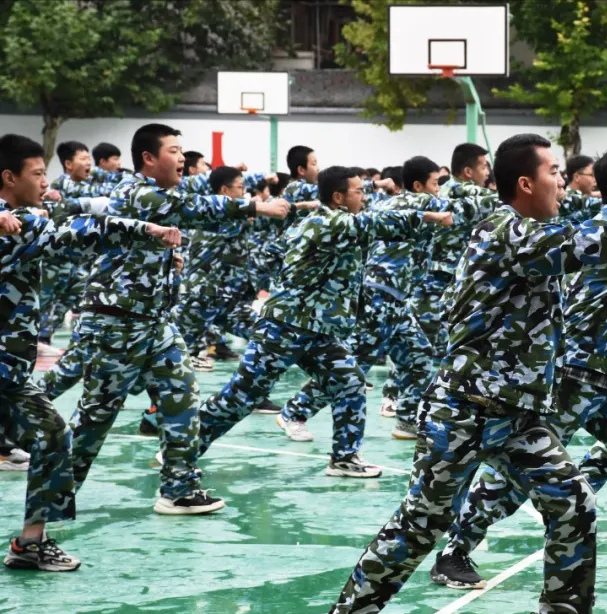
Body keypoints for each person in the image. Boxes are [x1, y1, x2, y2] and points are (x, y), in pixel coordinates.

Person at [329, 134, 607, 614]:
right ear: (526, 183)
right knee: (420, 526)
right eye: (555, 173)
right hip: (463, 411)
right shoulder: (505, 231)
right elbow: (581, 241)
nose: (564, 185)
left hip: (518, 417)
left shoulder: (533, 234)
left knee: (573, 504)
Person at [66, 123, 289, 515]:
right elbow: (195, 209)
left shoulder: (160, 195)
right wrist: (257, 205)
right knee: (94, 420)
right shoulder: (140, 193)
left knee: (182, 396)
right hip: (116, 324)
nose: (182, 158)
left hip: (153, 325)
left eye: (183, 150)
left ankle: (178, 487)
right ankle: (50, 500)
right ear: (149, 159)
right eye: (173, 150)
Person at [1, 133, 181, 571]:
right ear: (9, 177)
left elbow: (87, 213)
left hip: (10, 372)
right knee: (53, 435)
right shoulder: (23, 227)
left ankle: (30, 542)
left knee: (53, 435)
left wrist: (147, 230)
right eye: (37, 173)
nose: (46, 181)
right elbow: (90, 230)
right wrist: (148, 230)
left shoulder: (23, 217)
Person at [198, 166, 450, 477]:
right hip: (284, 328)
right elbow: (377, 223)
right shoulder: (333, 223)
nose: (364, 196)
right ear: (338, 197)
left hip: (318, 331)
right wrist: (429, 217)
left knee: (351, 382)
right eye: (358, 191)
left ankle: (345, 457)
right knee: (242, 396)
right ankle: (184, 446)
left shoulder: (325, 218)